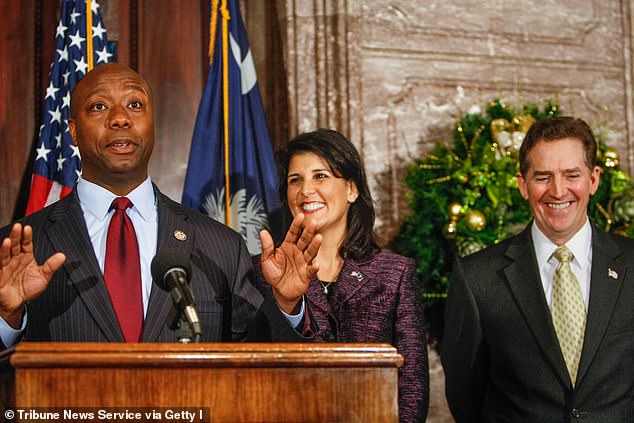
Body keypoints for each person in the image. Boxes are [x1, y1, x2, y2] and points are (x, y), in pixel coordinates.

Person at [0, 63, 320, 346]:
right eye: (99, 107)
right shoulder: (18, 250)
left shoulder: (221, 247)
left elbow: (254, 366)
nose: (121, 118)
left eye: (135, 104)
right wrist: (7, 318)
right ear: (73, 132)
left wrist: (284, 303)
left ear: (153, 123)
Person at [442, 116, 634, 422]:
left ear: (593, 180)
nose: (558, 191)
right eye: (543, 177)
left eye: (572, 175)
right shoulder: (478, 277)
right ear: (522, 184)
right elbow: (466, 397)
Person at [254, 129, 429, 422]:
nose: (306, 190)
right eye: (295, 180)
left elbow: (412, 390)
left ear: (352, 189)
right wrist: (286, 303)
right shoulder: (262, 272)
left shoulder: (394, 273)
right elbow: (251, 373)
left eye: (320, 176)